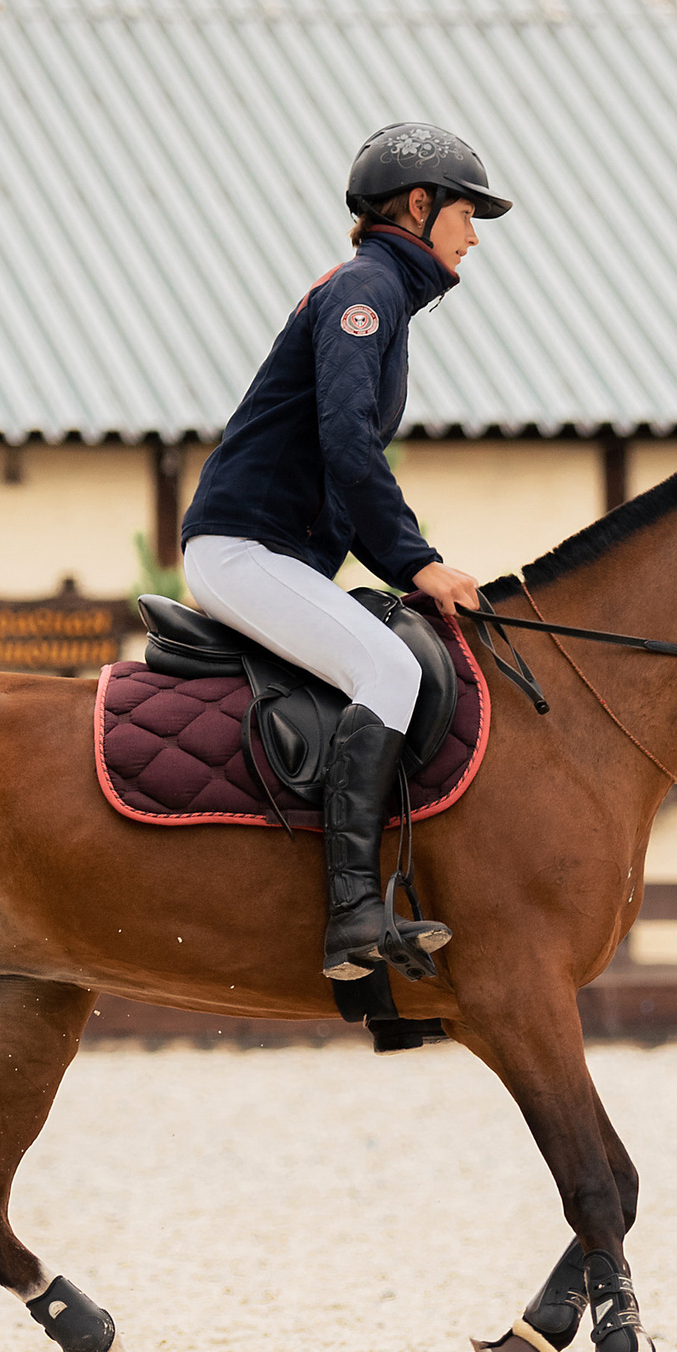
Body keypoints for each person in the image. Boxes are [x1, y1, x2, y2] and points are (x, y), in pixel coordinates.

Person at [179, 122, 509, 983]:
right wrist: (422, 562)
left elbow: (345, 472)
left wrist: (409, 568)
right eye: (466, 214)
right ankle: (355, 913)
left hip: (273, 552)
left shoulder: (382, 297)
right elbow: (349, 449)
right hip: (244, 549)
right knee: (392, 673)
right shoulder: (365, 293)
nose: (474, 236)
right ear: (419, 205)